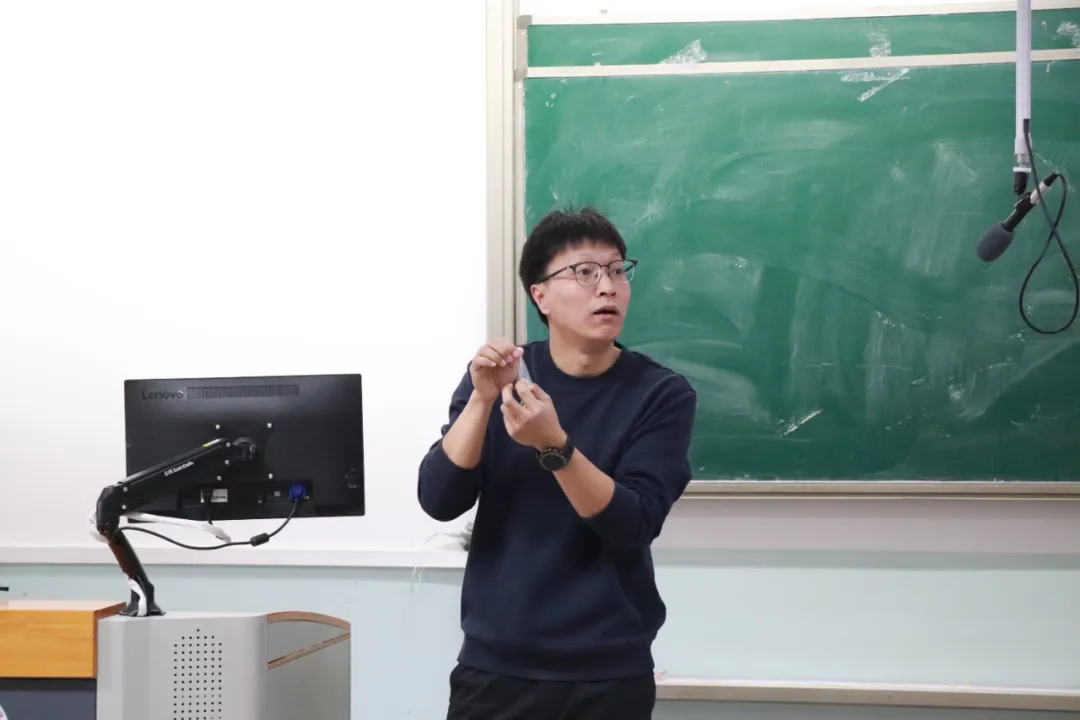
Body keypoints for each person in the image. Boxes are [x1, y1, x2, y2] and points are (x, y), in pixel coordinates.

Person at [417, 206, 698, 720]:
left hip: (608, 673)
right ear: (540, 295)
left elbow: (633, 524)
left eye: (617, 270)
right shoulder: (503, 379)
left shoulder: (660, 394)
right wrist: (481, 400)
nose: (607, 287)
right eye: (584, 272)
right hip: (497, 666)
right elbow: (439, 500)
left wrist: (556, 448)